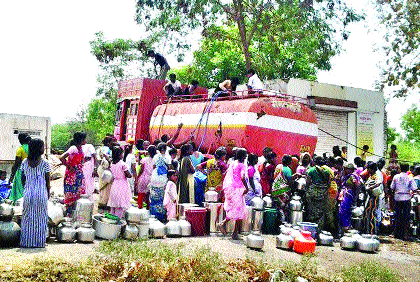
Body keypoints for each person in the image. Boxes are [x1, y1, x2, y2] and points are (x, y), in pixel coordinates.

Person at [20, 138, 50, 248]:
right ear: (39, 148)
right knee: (40, 218)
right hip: (41, 193)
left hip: (28, 192)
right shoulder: (45, 163)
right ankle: (39, 243)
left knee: (27, 218)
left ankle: (26, 242)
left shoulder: (24, 162)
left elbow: (22, 178)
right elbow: (47, 180)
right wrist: (48, 192)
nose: (44, 148)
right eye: (43, 146)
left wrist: (26, 188)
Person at [217, 148, 248, 240]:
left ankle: (226, 226)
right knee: (240, 210)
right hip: (238, 189)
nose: (246, 156)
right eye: (245, 155)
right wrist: (247, 187)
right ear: (243, 156)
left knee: (235, 209)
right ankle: (233, 231)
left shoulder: (233, 163)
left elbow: (226, 173)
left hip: (231, 188)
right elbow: (242, 177)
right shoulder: (242, 165)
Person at [59, 132, 87, 215]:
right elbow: (62, 157)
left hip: (78, 175)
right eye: (84, 139)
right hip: (72, 176)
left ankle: (75, 214)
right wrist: (69, 166)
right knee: (70, 194)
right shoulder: (73, 148)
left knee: (78, 194)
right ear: (81, 140)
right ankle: (69, 214)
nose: (86, 141)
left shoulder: (80, 148)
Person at [391, 163, 417, 240]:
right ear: (408, 169)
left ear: (400, 168)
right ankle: (405, 234)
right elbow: (414, 188)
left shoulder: (396, 177)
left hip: (398, 198)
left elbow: (392, 187)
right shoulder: (410, 178)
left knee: (397, 215)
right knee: (406, 216)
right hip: (406, 198)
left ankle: (396, 233)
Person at [305, 156, 330, 230]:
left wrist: (307, 190)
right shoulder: (326, 171)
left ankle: (311, 228)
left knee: (312, 210)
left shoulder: (311, 170)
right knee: (321, 212)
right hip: (323, 193)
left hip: (313, 193)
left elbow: (308, 182)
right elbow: (328, 183)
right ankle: (319, 229)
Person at [108, 146, 132, 218]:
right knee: (121, 204)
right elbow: (129, 175)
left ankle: (111, 218)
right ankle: (118, 219)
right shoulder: (122, 164)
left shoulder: (112, 164)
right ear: (119, 154)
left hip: (115, 184)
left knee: (114, 204)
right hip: (122, 184)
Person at [150, 142, 170, 222]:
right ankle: (161, 217)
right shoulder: (167, 157)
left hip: (154, 178)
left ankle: (153, 215)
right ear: (165, 149)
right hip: (163, 179)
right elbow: (170, 167)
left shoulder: (155, 156)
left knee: (154, 198)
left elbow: (154, 166)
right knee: (162, 198)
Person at [338, 162, 361, 234]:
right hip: (346, 195)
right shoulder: (347, 176)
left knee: (344, 211)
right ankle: (345, 227)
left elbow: (357, 187)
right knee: (343, 211)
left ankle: (346, 227)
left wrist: (355, 198)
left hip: (348, 195)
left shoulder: (352, 176)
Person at [8, 133, 31, 202]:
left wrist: (12, 176)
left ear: (21, 140)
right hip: (31, 170)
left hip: (21, 171)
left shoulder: (20, 149)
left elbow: (17, 163)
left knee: (19, 190)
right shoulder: (32, 148)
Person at [363, 162, 384, 235]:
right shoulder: (371, 176)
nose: (367, 170)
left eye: (368, 169)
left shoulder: (376, 175)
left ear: (371, 169)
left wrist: (370, 187)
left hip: (374, 198)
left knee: (371, 215)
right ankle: (368, 231)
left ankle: (372, 232)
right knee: (368, 213)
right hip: (370, 197)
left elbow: (379, 183)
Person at [136, 145, 156, 209]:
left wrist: (137, 177)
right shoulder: (155, 160)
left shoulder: (144, 159)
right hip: (151, 178)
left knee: (141, 194)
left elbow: (141, 170)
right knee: (148, 195)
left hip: (143, 177)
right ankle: (148, 208)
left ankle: (140, 207)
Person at [98, 136, 113, 210]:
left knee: (102, 185)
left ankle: (101, 201)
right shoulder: (107, 149)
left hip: (101, 168)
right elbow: (107, 157)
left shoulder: (100, 148)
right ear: (108, 142)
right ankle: (105, 202)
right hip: (106, 170)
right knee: (106, 186)